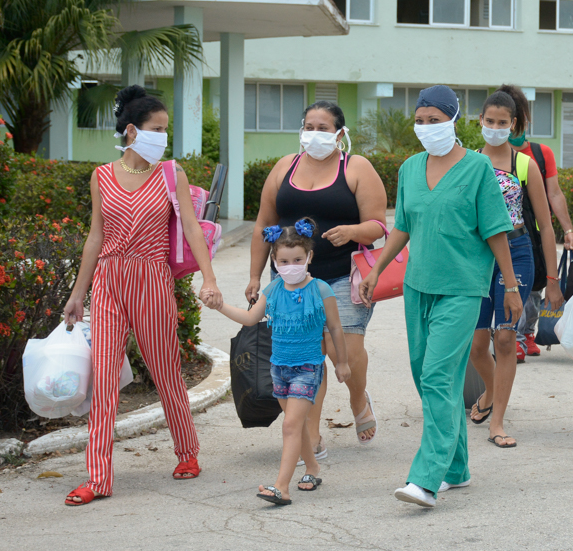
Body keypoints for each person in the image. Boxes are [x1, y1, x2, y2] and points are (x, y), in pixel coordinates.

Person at [358, 85, 523, 508]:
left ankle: (427, 479)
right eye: (421, 120)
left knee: (436, 376)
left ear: (453, 120)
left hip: (463, 288)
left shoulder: (478, 169)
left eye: (435, 120)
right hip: (417, 287)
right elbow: (404, 226)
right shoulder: (411, 168)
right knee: (429, 378)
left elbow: (495, 230)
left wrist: (511, 286)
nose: (426, 127)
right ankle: (458, 469)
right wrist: (376, 269)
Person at [62, 85, 223, 506]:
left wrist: (209, 279)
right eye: (157, 128)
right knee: (104, 382)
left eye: (165, 129)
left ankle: (187, 452)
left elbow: (191, 228)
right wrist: (78, 295)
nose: (163, 137)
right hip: (109, 282)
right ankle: (98, 477)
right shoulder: (101, 176)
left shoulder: (171, 173)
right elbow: (95, 238)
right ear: (132, 131)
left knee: (166, 370)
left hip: (152, 279)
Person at [246, 102, 387, 459]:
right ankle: (312, 433)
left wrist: (353, 230)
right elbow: (263, 225)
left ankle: (358, 399)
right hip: (292, 280)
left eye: (323, 128)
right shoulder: (284, 168)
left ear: (340, 134)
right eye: (309, 125)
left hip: (342, 275)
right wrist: (254, 275)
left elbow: (379, 225)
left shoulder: (356, 168)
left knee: (348, 352)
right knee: (309, 357)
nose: (315, 133)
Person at [208, 219, 350, 505]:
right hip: (279, 369)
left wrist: (342, 362)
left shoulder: (321, 290)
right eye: (284, 261)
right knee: (294, 425)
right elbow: (251, 318)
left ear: (310, 256)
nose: (291, 265)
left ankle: (280, 487)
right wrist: (220, 305)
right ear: (274, 261)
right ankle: (312, 468)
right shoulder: (272, 290)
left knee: (290, 426)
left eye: (298, 259)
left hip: (308, 368)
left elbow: (335, 328)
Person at [468, 87, 564, 449]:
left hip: (518, 251)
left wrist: (552, 279)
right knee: (477, 346)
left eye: (502, 122)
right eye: (489, 121)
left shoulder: (525, 165)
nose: (495, 127)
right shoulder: (468, 161)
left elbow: (546, 224)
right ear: (480, 121)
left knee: (505, 338)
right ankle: (490, 391)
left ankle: (498, 422)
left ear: (514, 125)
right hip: (477, 258)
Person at [509, 102, 573, 361]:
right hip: (503, 233)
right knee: (513, 284)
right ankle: (513, 336)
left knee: (535, 286)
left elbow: (555, 194)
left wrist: (568, 229)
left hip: (536, 233)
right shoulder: (487, 155)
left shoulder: (540, 153)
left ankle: (527, 333)